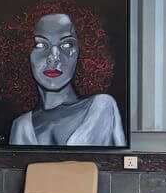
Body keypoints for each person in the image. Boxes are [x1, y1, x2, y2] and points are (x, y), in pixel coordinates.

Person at [8, 11, 125, 147]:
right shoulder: (20, 126)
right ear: (24, 52)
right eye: (40, 45)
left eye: (67, 45)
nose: (54, 57)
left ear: (83, 52)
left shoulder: (101, 108)